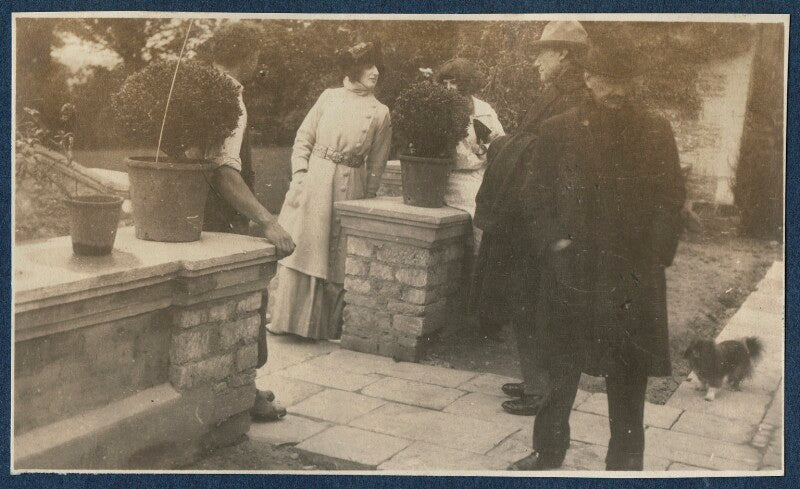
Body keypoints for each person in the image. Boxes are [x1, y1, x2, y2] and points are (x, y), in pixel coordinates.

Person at [508, 38, 686, 471]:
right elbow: (536, 197)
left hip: (631, 275)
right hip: (572, 271)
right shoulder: (559, 129)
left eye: (624, 81)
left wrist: (655, 256)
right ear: (588, 78)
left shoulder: (655, 129)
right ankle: (546, 453)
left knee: (628, 377)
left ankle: (625, 466)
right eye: (607, 80)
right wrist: (554, 244)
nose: (616, 90)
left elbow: (670, 198)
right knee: (559, 371)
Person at [471, 20, 588, 414]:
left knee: (536, 304)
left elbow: (550, 156)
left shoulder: (576, 97)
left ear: (565, 54)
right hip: (530, 217)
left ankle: (543, 392)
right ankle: (535, 381)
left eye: (543, 51)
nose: (536, 60)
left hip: (544, 221)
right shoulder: (558, 92)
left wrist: (500, 143)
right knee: (525, 301)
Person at [196, 22, 295, 422]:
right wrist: (268, 221)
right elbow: (223, 169)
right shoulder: (230, 95)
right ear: (250, 56)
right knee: (248, 299)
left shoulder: (200, 83)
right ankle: (243, 393)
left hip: (191, 210)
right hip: (219, 214)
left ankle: (243, 387)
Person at [268, 41, 392, 340]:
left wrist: (368, 196)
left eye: (377, 66)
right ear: (354, 68)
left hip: (352, 184)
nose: (374, 72)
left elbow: (377, 161)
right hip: (316, 180)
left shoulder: (380, 112)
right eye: (367, 65)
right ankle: (289, 321)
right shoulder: (329, 97)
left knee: (337, 253)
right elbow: (303, 138)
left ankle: (327, 326)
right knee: (306, 247)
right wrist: (300, 173)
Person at [435, 58, 505, 249]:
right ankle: (480, 258)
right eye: (445, 82)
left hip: (483, 173)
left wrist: (484, 149)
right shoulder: (440, 109)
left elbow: (500, 143)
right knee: (480, 207)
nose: (449, 88)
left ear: (466, 83)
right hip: (456, 177)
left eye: (454, 82)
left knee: (506, 203)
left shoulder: (483, 110)